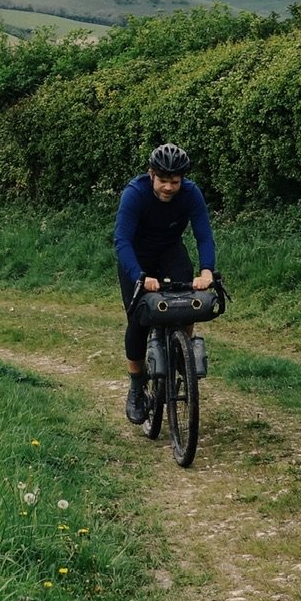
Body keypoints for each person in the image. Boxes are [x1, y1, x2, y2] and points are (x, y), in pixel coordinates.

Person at [113, 143, 217, 424]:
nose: (169, 187)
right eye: (163, 181)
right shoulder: (135, 194)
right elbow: (121, 241)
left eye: (175, 182)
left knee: (189, 304)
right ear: (151, 175)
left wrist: (207, 270)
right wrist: (139, 276)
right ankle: (136, 388)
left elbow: (204, 234)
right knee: (138, 321)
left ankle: (180, 354)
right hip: (137, 258)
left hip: (171, 251)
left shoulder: (191, 194)